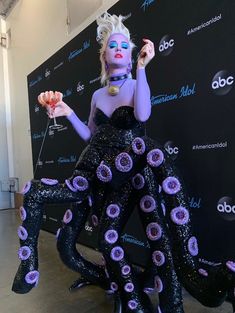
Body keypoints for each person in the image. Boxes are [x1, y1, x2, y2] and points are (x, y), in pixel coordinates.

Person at [12, 12, 235, 313]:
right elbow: (90, 135)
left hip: (131, 167)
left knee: (143, 238)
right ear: (103, 57)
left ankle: (182, 286)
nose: (117, 49)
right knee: (89, 229)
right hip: (93, 168)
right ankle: (124, 293)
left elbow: (142, 115)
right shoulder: (96, 95)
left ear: (129, 56)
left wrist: (142, 68)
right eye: (111, 46)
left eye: (123, 46)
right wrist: (67, 112)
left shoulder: (133, 84)